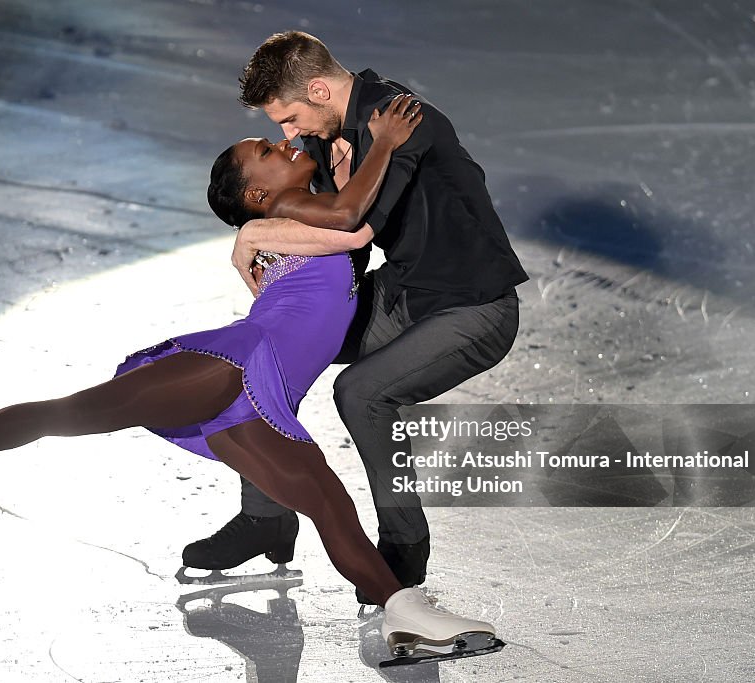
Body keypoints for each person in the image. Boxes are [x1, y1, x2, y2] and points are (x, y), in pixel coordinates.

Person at [0, 95, 499, 657]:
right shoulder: (268, 225)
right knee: (72, 413)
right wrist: (382, 142)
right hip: (230, 364)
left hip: (258, 405)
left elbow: (339, 203)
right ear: (256, 195)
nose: (280, 141)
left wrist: (336, 159)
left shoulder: (294, 212)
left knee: (333, 510)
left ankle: (405, 618)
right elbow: (352, 224)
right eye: (265, 150)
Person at [183, 31, 530, 605]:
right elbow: (338, 244)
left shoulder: (399, 119)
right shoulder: (323, 138)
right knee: (260, 357)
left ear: (319, 89)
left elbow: (352, 226)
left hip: (473, 304)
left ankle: (402, 545)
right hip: (402, 294)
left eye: (290, 117)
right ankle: (265, 517)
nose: (287, 134)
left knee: (361, 393)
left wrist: (257, 231)